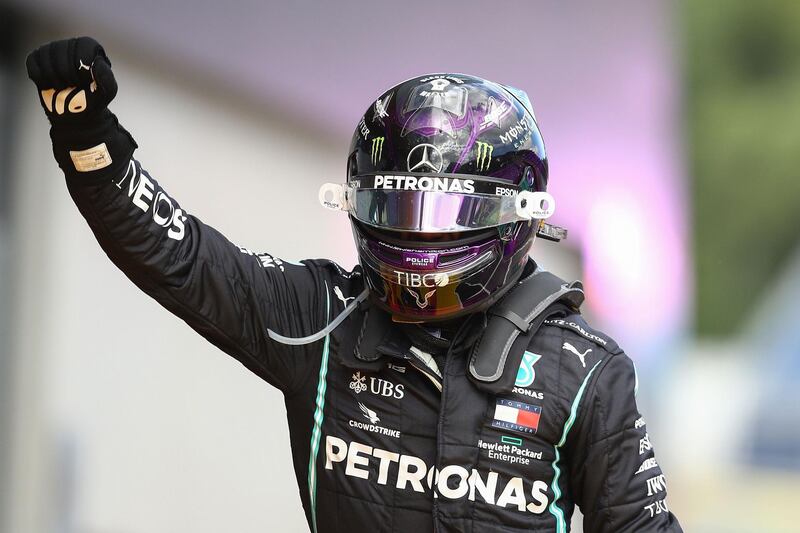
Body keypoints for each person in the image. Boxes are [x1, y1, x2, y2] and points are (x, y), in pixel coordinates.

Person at [26, 36, 682, 533]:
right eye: (401, 211)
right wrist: (89, 140)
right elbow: (182, 258)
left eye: (447, 215)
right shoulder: (323, 317)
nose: (421, 240)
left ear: (517, 215)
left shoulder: (587, 372)